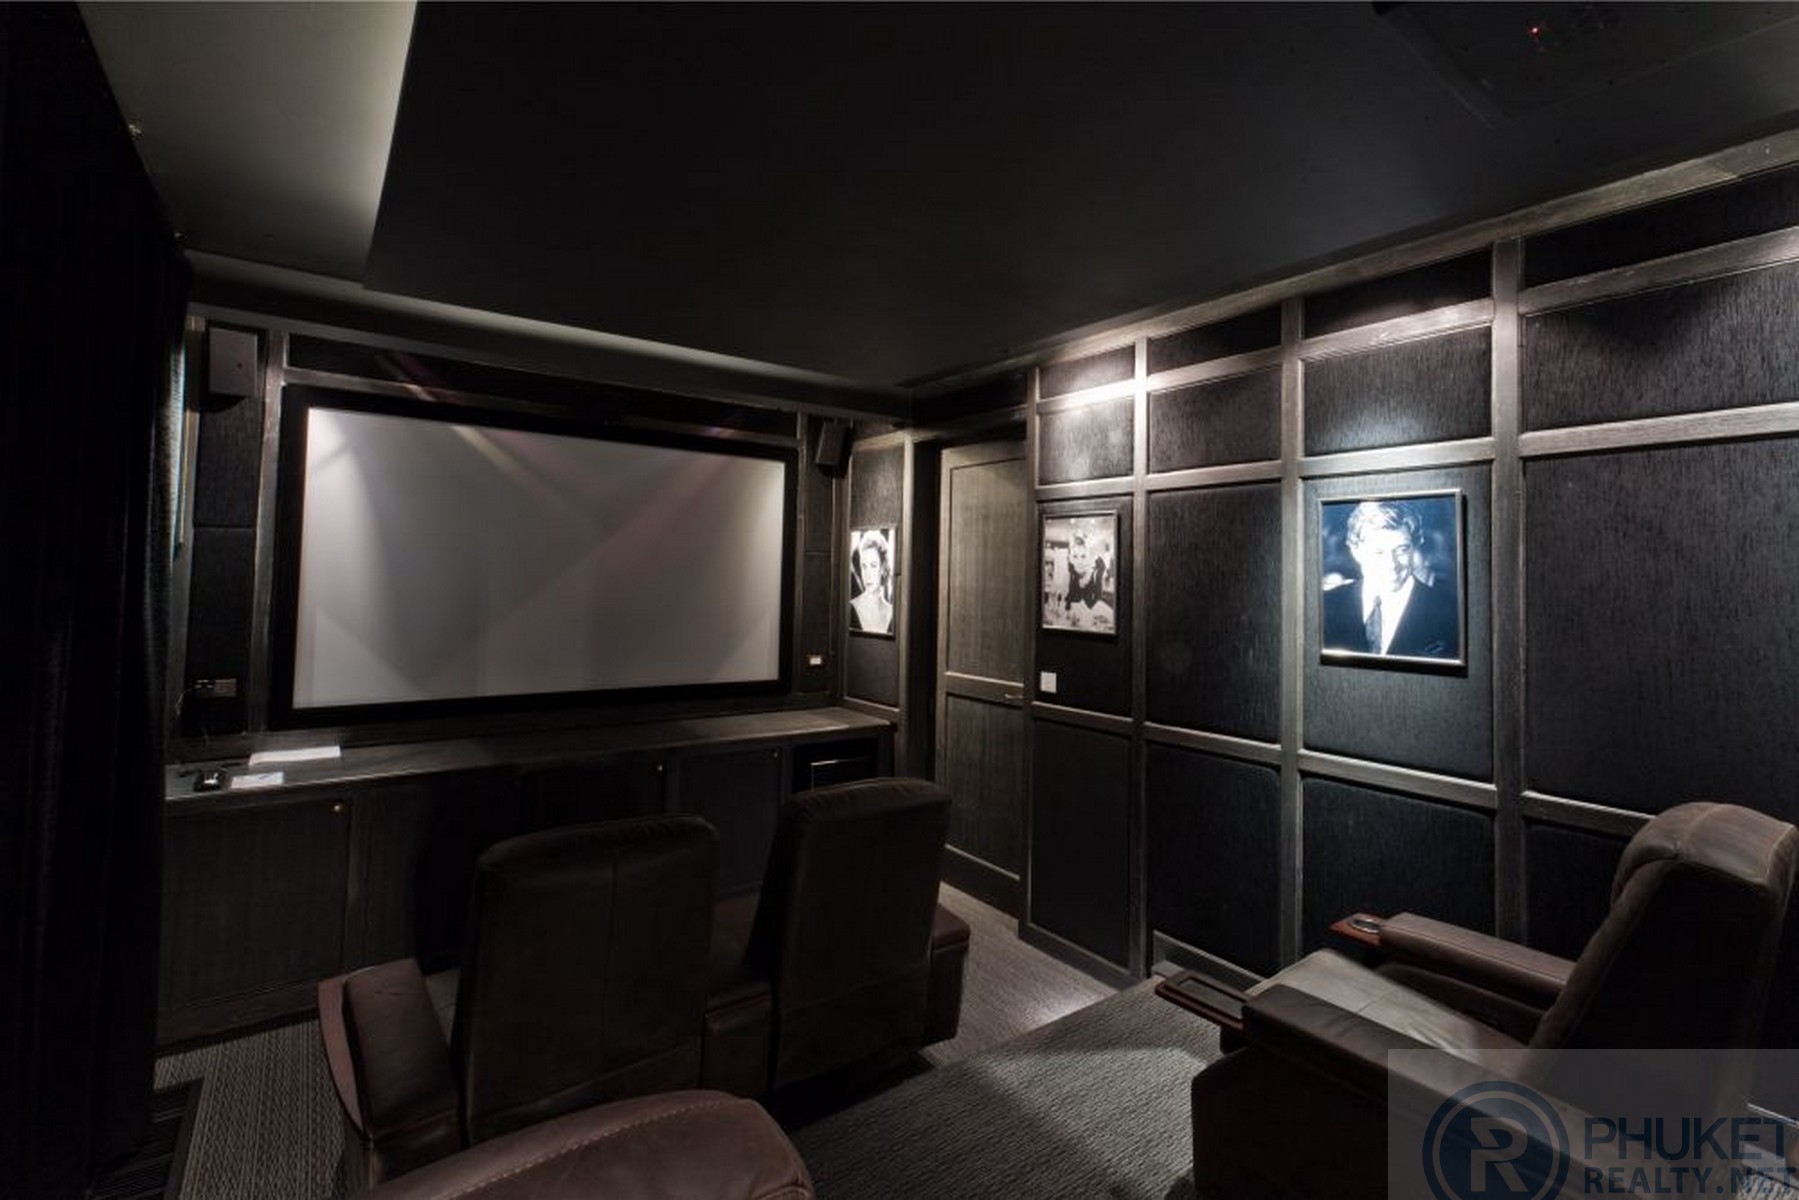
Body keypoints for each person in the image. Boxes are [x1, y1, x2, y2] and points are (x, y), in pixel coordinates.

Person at [1321, 500, 1458, 659]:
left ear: (1414, 548)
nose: (1392, 564)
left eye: (1402, 550)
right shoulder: (1326, 605)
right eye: (1379, 552)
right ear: (1356, 552)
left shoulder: (1450, 611)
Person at [1063, 528, 1115, 632]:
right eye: (1075, 556)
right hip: (1074, 624)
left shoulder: (1096, 572)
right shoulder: (1071, 574)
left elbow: (1097, 600)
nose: (1079, 561)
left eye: (1083, 556)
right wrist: (1068, 611)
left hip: (1092, 623)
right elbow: (1069, 599)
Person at [849, 529, 893, 634]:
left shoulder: (892, 612)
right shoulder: (850, 608)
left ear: (882, 568)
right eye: (864, 566)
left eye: (873, 566)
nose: (867, 574)